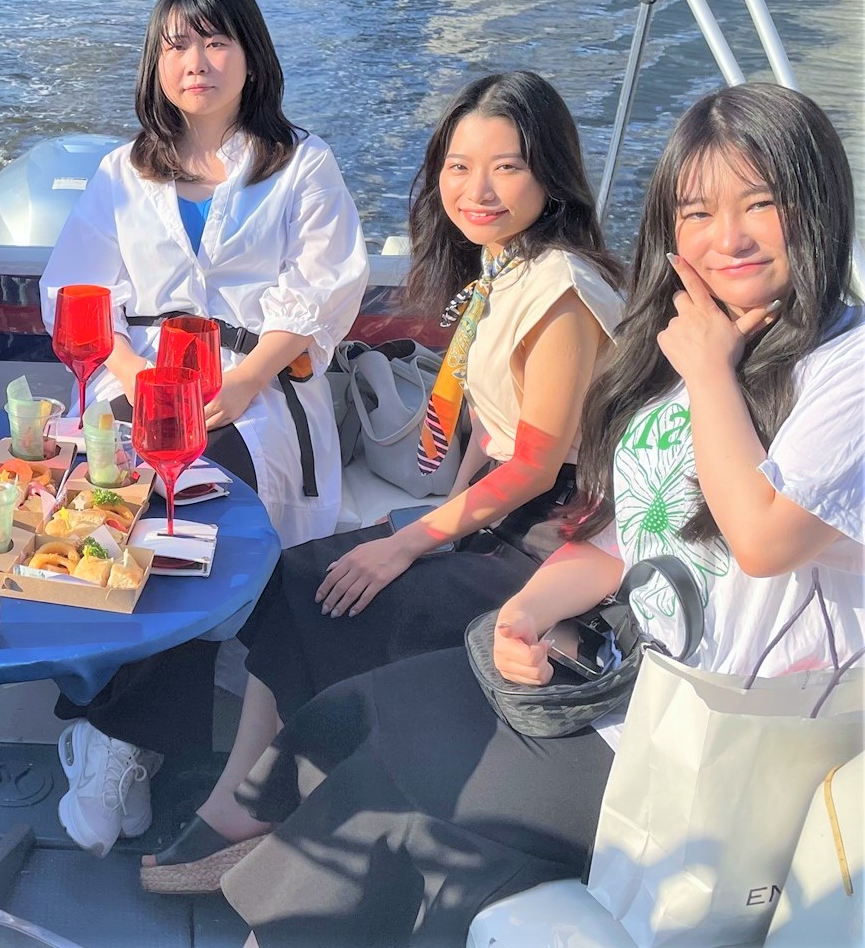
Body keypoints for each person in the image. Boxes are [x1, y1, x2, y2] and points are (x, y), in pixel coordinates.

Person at [220, 82, 863, 946]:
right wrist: (524, 612)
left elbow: (760, 539)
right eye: (697, 212)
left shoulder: (837, 367)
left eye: (759, 203)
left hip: (713, 746)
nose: (727, 238)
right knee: (358, 714)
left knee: (405, 803)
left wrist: (709, 372)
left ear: (816, 204)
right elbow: (627, 537)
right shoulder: (707, 343)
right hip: (620, 682)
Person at [141, 69, 624, 890]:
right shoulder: (503, 268)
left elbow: (535, 463)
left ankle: (257, 813)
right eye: (458, 166)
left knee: (351, 593)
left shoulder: (562, 293)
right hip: (503, 512)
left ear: (550, 173)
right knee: (299, 573)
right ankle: (249, 802)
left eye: (506, 167)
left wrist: (409, 543)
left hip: (555, 536)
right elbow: (491, 429)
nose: (476, 190)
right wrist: (432, 519)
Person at [38, 0, 371, 858]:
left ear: (250, 56)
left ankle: (113, 739)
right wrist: (136, 376)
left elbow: (326, 286)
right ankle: (122, 736)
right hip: (135, 377)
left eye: (216, 41)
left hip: (254, 387)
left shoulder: (301, 164)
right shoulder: (121, 173)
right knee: (109, 497)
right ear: (155, 63)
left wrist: (249, 375)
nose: (196, 61)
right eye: (177, 44)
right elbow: (75, 292)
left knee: (188, 497)